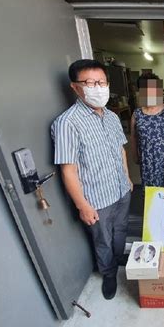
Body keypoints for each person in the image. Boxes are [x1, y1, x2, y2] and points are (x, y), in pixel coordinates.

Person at [51, 59, 133, 300]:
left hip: (121, 189)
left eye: (102, 82)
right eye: (90, 83)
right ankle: (108, 273)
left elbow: (121, 150)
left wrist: (128, 179)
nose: (98, 88)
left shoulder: (112, 117)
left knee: (121, 230)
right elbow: (69, 170)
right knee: (103, 239)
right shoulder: (67, 123)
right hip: (96, 198)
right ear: (75, 87)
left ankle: (118, 259)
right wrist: (82, 205)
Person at [130, 72, 164, 189]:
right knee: (151, 194)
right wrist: (134, 155)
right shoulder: (137, 114)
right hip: (147, 162)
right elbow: (133, 136)